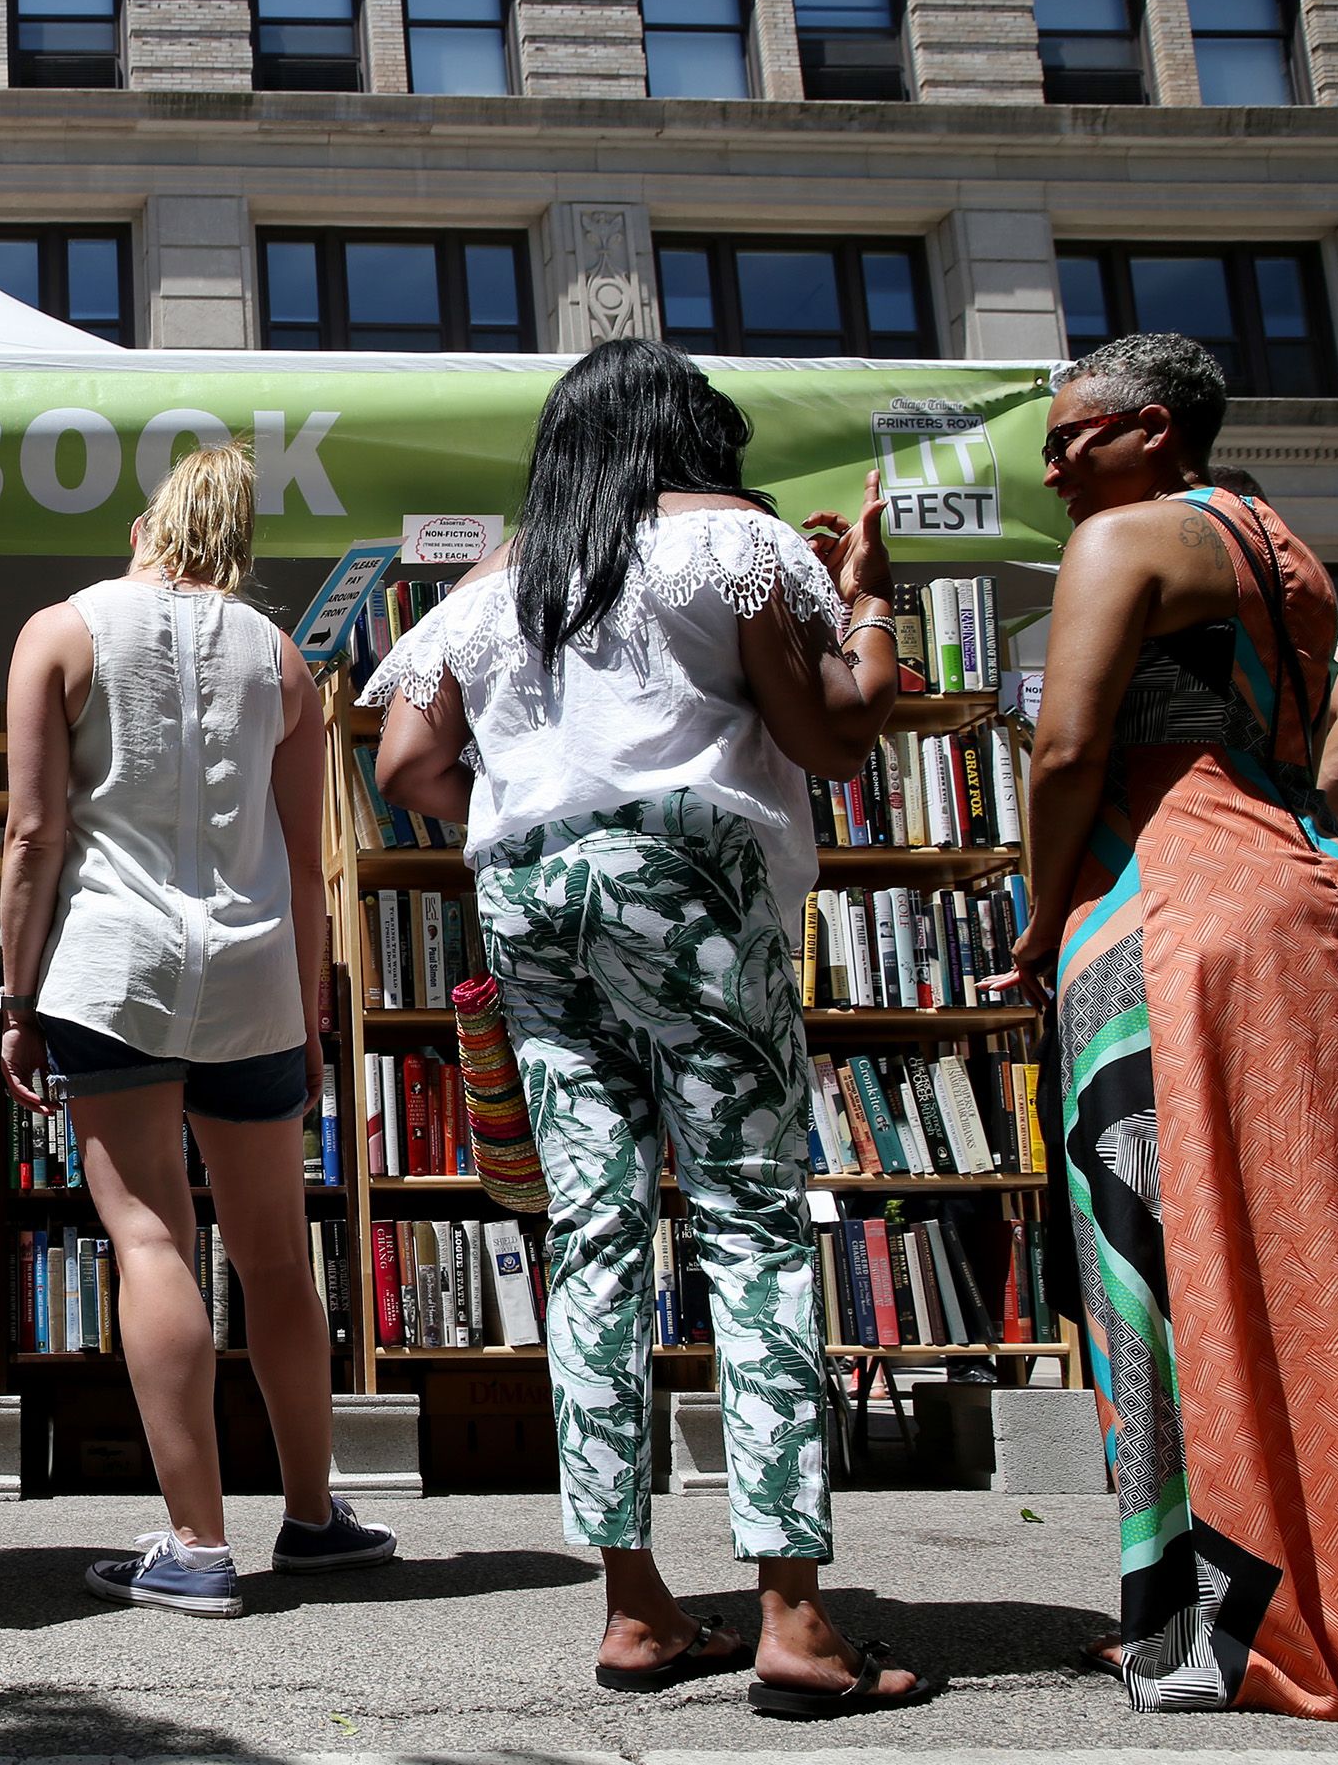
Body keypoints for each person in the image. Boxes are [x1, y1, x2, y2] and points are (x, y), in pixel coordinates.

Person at [371, 338, 934, 1716]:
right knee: (748, 1222)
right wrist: (869, 604)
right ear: (691, 436)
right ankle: (795, 1618)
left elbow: (409, 766)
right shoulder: (730, 541)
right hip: (690, 876)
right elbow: (832, 739)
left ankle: (634, 1608)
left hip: (525, 888)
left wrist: (549, 803)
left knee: (597, 1234)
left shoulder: (493, 582)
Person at [1015, 333, 1338, 1718]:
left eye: (1072, 441)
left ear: (1154, 430)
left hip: (1169, 905)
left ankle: (1206, 1626)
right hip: (1306, 893)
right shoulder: (1290, 553)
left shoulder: (1132, 540)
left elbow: (1064, 751)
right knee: (1310, 1247)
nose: (1053, 471)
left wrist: (1041, 917)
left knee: (1166, 1259)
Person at [0, 440, 394, 1617]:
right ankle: (313, 1518)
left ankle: (198, 1543)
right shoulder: (283, 658)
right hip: (258, 975)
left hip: (112, 967)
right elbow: (310, 862)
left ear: (142, 527)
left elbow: (32, 835)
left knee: (151, 1237)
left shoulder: (60, 631)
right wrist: (315, 1013)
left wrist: (17, 1000)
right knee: (274, 1254)